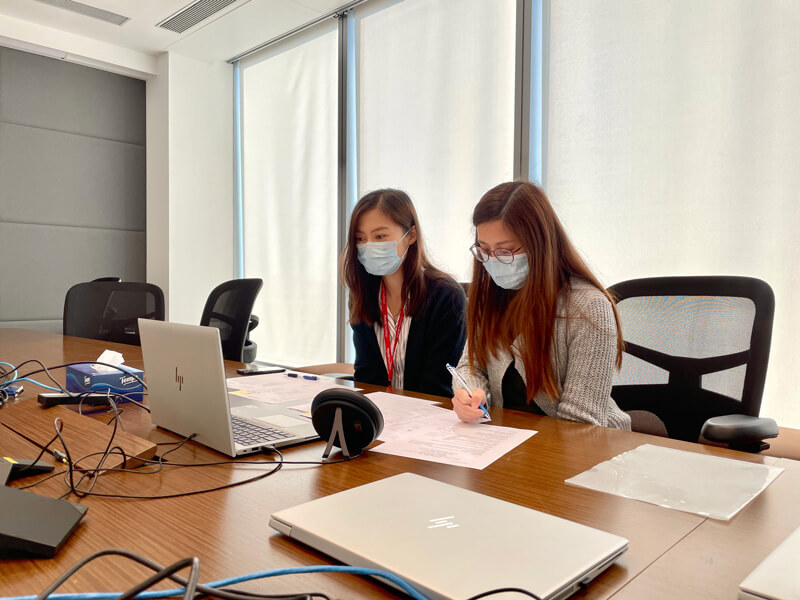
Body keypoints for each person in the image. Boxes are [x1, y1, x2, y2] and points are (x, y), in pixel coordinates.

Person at [451, 181, 631, 430]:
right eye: (484, 250)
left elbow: (579, 425)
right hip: (510, 442)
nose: (493, 262)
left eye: (506, 251)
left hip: (582, 449)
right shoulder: (492, 295)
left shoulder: (589, 309)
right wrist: (469, 393)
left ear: (540, 243)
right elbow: (470, 366)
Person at [342, 189, 467, 397]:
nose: (369, 246)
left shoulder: (446, 296)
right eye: (361, 239)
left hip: (429, 418)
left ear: (410, 235)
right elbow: (366, 379)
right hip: (380, 417)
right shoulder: (362, 294)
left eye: (380, 236)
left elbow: (439, 386)